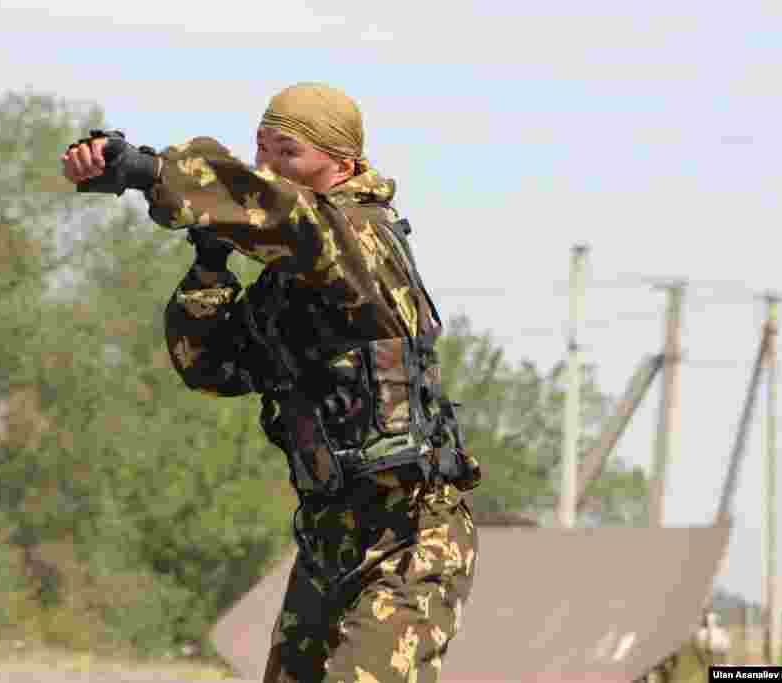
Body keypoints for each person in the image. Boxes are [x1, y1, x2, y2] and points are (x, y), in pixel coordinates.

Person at [62, 82, 482, 683]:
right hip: (328, 539)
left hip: (409, 538)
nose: (269, 165)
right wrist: (210, 265)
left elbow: (285, 215)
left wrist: (151, 171)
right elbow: (212, 369)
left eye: (289, 152)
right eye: (262, 148)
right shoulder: (290, 282)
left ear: (343, 166)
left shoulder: (358, 239)